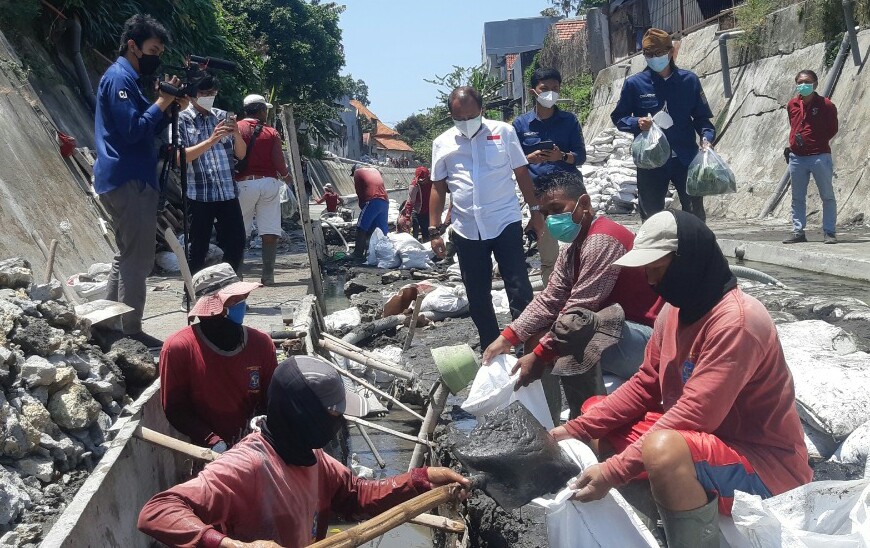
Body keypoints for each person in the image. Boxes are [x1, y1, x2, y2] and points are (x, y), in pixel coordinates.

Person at [550, 210, 811, 547]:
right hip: (708, 443)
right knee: (595, 412)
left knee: (663, 450)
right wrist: (572, 430)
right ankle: (660, 515)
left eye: (658, 270)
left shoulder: (737, 323)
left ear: (688, 262)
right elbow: (646, 383)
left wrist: (613, 472)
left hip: (764, 468)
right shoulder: (674, 311)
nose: (651, 281)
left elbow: (694, 415)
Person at [139, 355, 469, 547]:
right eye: (333, 415)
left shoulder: (316, 461)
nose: (338, 424)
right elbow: (157, 511)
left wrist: (423, 479)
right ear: (301, 413)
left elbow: (359, 498)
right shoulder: (246, 466)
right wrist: (229, 545)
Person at [483, 172, 662, 421]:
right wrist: (508, 337)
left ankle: (589, 423)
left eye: (557, 209)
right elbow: (550, 298)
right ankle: (547, 422)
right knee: (539, 336)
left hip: (648, 342)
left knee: (576, 332)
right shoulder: (573, 248)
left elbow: (579, 311)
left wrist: (539, 356)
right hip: (620, 338)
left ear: (585, 204)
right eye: (546, 214)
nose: (552, 219)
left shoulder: (602, 240)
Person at [429, 86, 544, 349]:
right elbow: (437, 186)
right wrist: (433, 230)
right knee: (477, 295)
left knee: (519, 287)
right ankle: (491, 346)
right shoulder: (442, 143)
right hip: (466, 228)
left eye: (472, 116)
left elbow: (521, 173)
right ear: (451, 116)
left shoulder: (503, 132)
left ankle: (526, 343)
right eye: (460, 118)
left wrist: (536, 212)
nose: (467, 123)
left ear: (482, 110)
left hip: (505, 221)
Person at [93, 14, 180, 347]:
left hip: (127, 176)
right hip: (128, 177)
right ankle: (130, 331)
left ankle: (107, 325)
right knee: (139, 258)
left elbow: (149, 125)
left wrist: (168, 105)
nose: (156, 57)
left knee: (126, 254)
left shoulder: (127, 79)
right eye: (153, 49)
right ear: (133, 46)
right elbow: (132, 131)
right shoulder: (118, 79)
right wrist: (162, 101)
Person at [159, 263, 278, 451]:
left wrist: (261, 435)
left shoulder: (261, 343)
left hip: (256, 444)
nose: (243, 303)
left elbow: (271, 400)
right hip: (208, 451)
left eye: (242, 298)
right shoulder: (178, 348)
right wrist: (213, 442)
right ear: (216, 307)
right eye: (235, 300)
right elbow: (175, 409)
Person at [611, 28, 715, 221]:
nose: (653, 58)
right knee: (651, 217)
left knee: (694, 214)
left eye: (658, 53)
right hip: (651, 161)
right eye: (648, 55)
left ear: (670, 51)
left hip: (685, 158)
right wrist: (636, 122)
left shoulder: (689, 81)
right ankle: (657, 250)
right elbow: (619, 117)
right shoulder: (634, 84)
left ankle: (693, 249)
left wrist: (706, 139)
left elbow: (702, 119)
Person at [513, 68, 587, 285]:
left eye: (555, 88)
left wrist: (561, 156)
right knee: (549, 255)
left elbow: (580, 156)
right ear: (533, 91)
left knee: (581, 246)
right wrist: (529, 159)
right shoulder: (520, 125)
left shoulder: (569, 121)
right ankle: (553, 300)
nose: (550, 93)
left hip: (570, 192)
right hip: (540, 196)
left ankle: (583, 293)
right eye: (545, 89)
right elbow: (512, 160)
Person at [176, 74, 247, 276]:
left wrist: (237, 134)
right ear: (192, 95)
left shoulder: (221, 116)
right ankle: (192, 293)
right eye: (204, 93)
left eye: (212, 93)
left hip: (226, 192)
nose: (209, 97)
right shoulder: (181, 119)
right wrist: (211, 140)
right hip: (199, 194)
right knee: (197, 248)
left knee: (237, 242)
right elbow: (181, 158)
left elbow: (240, 154)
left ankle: (226, 288)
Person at [235, 94, 291, 285]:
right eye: (265, 109)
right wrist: (286, 176)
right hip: (268, 183)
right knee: (270, 230)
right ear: (260, 110)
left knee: (240, 231)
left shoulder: (237, 128)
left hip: (243, 184)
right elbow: (278, 161)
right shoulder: (271, 132)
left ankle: (238, 275)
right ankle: (268, 276)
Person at [783, 69, 839, 244]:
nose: (802, 85)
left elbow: (832, 129)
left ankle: (829, 232)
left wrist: (817, 142)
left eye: (806, 81)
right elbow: (793, 125)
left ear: (815, 84)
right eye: (799, 82)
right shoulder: (791, 104)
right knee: (797, 197)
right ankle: (798, 232)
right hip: (797, 158)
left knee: (827, 195)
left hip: (819, 156)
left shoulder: (826, 104)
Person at [351, 164, 389, 259]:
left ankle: (358, 253)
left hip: (372, 200)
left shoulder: (357, 172)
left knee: (361, 227)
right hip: (384, 201)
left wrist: (363, 206)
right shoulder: (375, 171)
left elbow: (359, 192)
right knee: (380, 229)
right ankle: (380, 253)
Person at [399, 166, 433, 242]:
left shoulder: (432, 182)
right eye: (420, 180)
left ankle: (426, 246)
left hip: (428, 211)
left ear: (428, 176)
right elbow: (410, 201)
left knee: (426, 231)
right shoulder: (414, 185)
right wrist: (407, 217)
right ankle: (415, 244)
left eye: (423, 180)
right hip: (417, 211)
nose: (421, 181)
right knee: (415, 230)